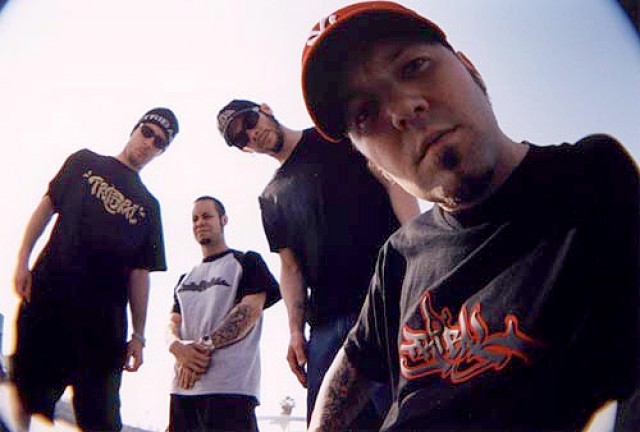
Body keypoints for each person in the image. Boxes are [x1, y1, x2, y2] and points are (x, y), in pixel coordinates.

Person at [299, 2, 640, 431]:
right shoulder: (400, 255)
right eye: (365, 113)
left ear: (471, 70)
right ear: (373, 164)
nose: (402, 109)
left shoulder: (590, 178)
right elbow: (354, 360)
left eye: (413, 66)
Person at [217, 99, 420, 426]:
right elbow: (290, 267)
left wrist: (422, 252)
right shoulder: (270, 196)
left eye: (250, 121)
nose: (252, 134)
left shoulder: (335, 135)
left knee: (407, 414)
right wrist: (295, 331)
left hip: (387, 300)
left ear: (265, 109)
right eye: (241, 138)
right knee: (327, 423)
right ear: (244, 150)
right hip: (326, 323)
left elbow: (392, 181)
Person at [12, 107, 179, 431]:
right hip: (49, 301)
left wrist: (139, 335)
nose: (149, 143)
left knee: (101, 420)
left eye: (159, 142)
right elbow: (46, 208)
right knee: (26, 396)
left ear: (161, 152)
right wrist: (22, 261)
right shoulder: (83, 163)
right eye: (147, 132)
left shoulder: (148, 206)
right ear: (135, 129)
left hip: (103, 329)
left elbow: (140, 274)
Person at [167, 196, 280, 432]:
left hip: (230, 391)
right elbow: (172, 323)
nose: (200, 223)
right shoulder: (184, 279)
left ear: (223, 220)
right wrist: (177, 347)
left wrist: (198, 350)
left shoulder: (247, 262)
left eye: (207, 216)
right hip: (183, 391)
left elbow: (248, 313)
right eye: (194, 219)